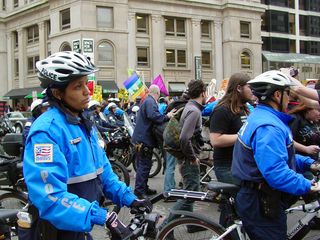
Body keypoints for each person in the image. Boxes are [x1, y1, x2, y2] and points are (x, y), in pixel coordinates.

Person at [22, 51, 152, 240]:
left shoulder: (83, 123)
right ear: (58, 93)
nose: (87, 91)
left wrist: (130, 199)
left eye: (86, 83)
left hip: (80, 229)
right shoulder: (46, 132)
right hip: (54, 231)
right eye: (78, 86)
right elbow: (50, 197)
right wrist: (101, 215)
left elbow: (104, 173)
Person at [231, 70, 320, 240]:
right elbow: (276, 172)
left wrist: (310, 164)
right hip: (260, 200)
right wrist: (310, 185)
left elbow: (283, 155)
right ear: (277, 95)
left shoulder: (263, 117)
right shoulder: (268, 127)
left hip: (260, 196)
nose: (290, 98)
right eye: (288, 93)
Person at [209, 73, 253, 227]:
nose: (253, 90)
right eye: (250, 86)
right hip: (227, 166)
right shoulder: (222, 109)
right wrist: (244, 136)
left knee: (231, 207)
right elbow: (215, 140)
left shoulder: (244, 109)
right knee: (242, 205)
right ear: (239, 88)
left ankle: (222, 234)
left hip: (241, 165)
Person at [162, 80, 207, 229]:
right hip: (189, 160)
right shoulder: (194, 111)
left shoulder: (190, 107)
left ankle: (191, 224)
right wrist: (192, 157)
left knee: (190, 192)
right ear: (202, 93)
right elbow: (184, 137)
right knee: (191, 192)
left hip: (186, 158)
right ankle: (165, 226)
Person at [132, 84, 175, 199]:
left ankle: (143, 188)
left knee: (145, 164)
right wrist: (167, 116)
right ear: (156, 93)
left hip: (142, 139)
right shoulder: (150, 102)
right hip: (143, 139)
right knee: (144, 166)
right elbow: (154, 116)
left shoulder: (147, 101)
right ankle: (139, 191)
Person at [163, 89, 190, 193]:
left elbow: (164, 117)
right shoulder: (188, 107)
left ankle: (169, 189)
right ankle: (170, 190)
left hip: (169, 137)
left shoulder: (172, 105)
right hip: (180, 138)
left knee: (170, 165)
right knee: (184, 163)